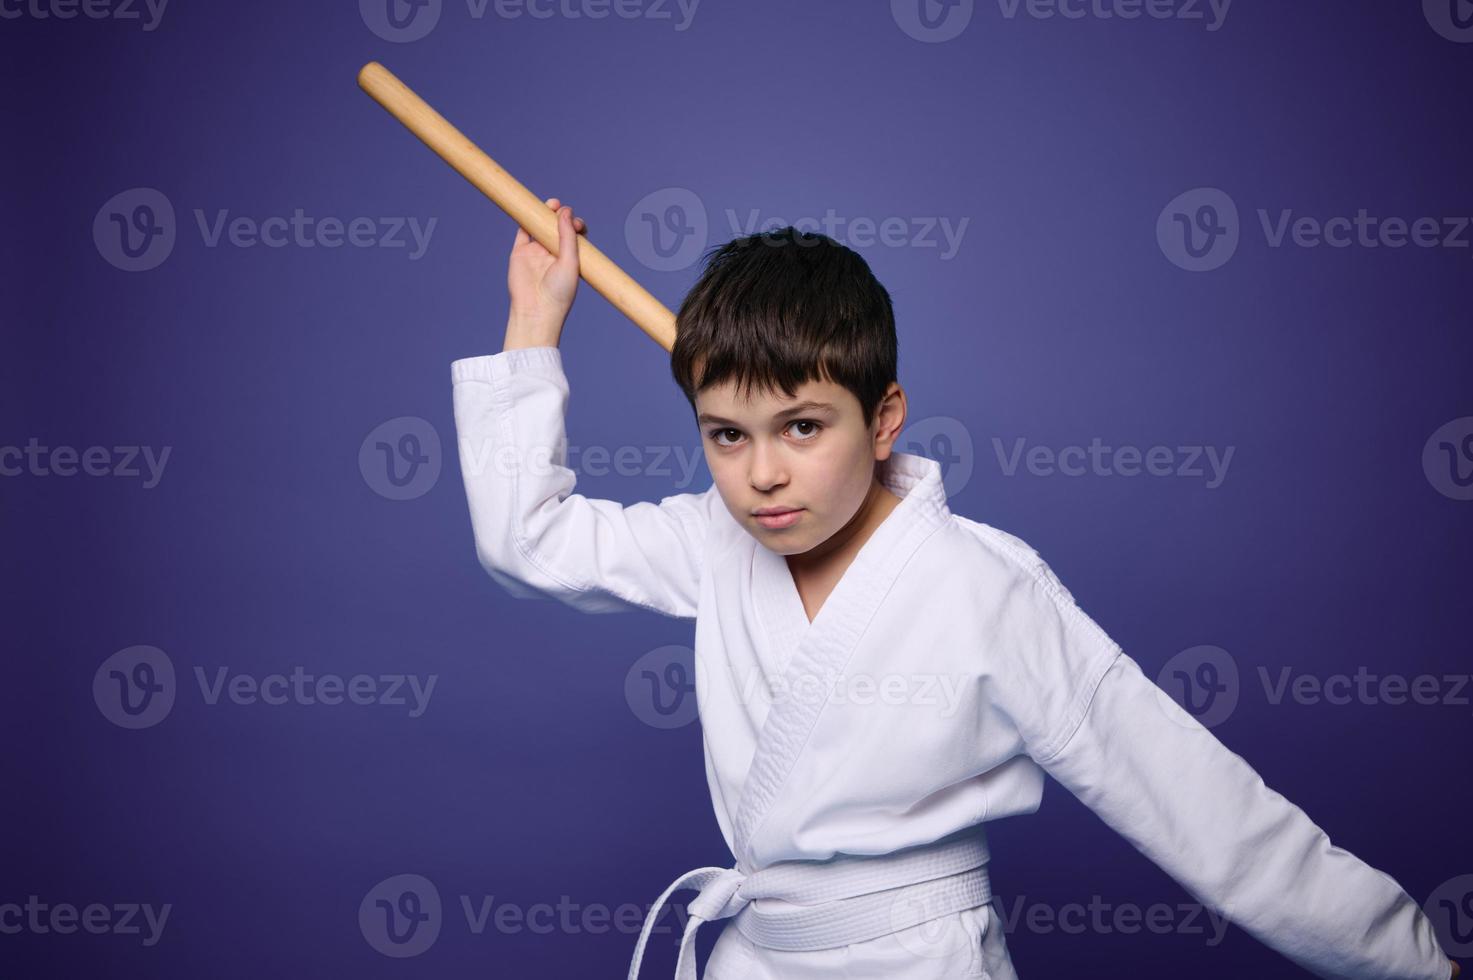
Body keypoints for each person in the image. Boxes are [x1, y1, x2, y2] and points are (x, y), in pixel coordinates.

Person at [448, 197, 1460, 980]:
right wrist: (534, 325)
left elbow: (1198, 804)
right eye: (727, 434)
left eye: (803, 426)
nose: (761, 474)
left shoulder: (985, 588)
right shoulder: (715, 539)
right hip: (758, 954)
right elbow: (528, 541)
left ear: (883, 418)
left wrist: (1414, 958)